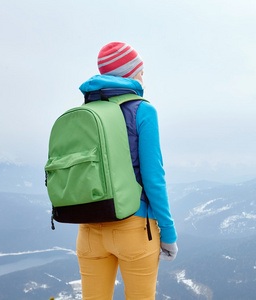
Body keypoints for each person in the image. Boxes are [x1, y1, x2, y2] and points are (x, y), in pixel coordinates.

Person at [76, 42, 178, 300]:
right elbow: (154, 178)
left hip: (89, 229)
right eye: (141, 72)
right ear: (129, 74)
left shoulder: (86, 112)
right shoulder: (142, 110)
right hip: (134, 228)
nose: (144, 78)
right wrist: (168, 232)